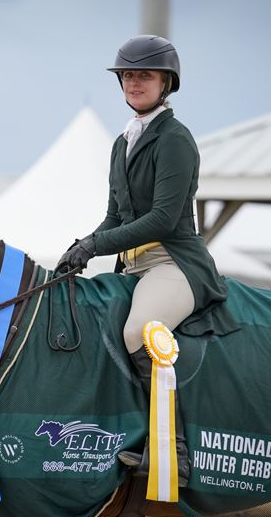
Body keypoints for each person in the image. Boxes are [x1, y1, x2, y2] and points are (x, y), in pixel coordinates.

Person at [57, 35, 233, 485]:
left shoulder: (175, 139)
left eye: (145, 76)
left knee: (139, 332)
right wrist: (81, 245)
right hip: (132, 267)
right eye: (128, 76)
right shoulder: (123, 142)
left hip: (173, 263)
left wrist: (96, 246)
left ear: (166, 83)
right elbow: (116, 215)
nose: (135, 83)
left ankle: (172, 449)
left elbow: (161, 219)